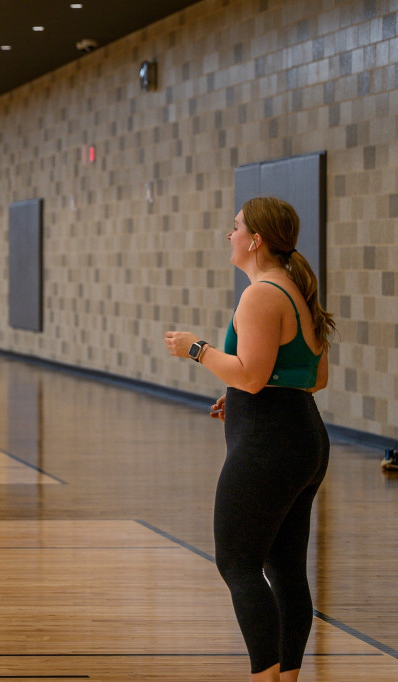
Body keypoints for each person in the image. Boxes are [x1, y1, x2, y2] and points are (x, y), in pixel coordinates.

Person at [164, 197, 335, 682]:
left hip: (270, 444)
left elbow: (253, 376)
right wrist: (238, 397)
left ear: (255, 240)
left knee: (238, 563)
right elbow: (312, 377)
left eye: (235, 227)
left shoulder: (261, 294)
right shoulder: (296, 291)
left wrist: (197, 349)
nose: (229, 234)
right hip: (302, 436)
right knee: (284, 570)